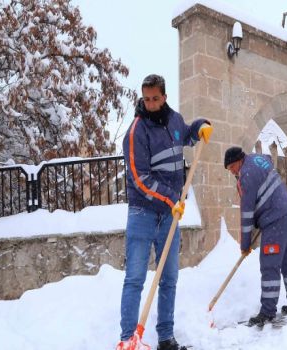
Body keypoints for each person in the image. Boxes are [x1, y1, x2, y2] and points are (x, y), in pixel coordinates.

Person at [117, 74, 212, 350]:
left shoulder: (174, 120)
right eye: (146, 99)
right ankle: (127, 339)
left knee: (169, 278)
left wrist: (200, 127)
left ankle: (165, 338)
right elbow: (139, 177)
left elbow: (187, 134)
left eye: (155, 98)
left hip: (171, 214)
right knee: (135, 278)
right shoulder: (136, 132)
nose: (150, 104)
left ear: (165, 97)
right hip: (143, 213)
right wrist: (172, 198)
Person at [223, 146, 287, 327]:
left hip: (275, 220)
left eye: (231, 168)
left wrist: (245, 244)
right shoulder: (257, 160)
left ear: (237, 161)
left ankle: (267, 312)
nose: (232, 172)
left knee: (269, 266)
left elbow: (247, 213)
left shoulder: (246, 175)